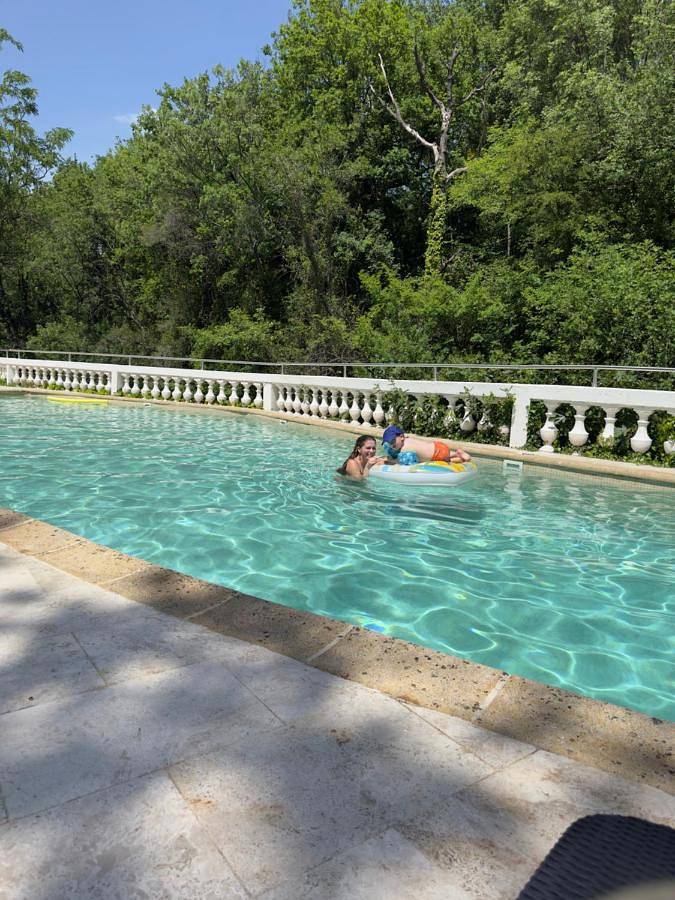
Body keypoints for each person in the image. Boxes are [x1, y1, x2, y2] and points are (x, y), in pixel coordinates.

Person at [382, 424, 471, 465]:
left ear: (401, 437)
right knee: (448, 455)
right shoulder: (407, 438)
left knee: (446, 461)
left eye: (393, 441)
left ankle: (462, 459)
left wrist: (390, 461)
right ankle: (457, 453)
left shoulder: (405, 449)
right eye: (389, 443)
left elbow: (407, 463)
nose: (391, 445)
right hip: (438, 446)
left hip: (436, 455)